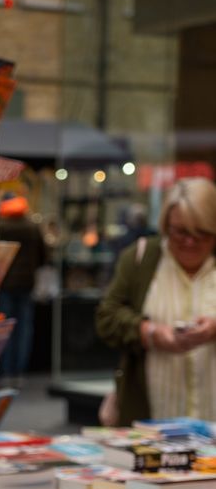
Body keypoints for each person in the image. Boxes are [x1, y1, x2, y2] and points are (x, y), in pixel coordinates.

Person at [96, 177, 216, 425]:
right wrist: (151, 333)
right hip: (152, 420)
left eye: (202, 233)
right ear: (165, 225)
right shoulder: (141, 258)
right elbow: (107, 317)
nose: (190, 242)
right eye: (180, 231)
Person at [0, 194, 47, 384]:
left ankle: (6, 370)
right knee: (24, 329)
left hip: (5, 284)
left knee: (5, 328)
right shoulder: (33, 227)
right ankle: (19, 370)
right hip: (27, 284)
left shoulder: (0, 227)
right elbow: (44, 256)